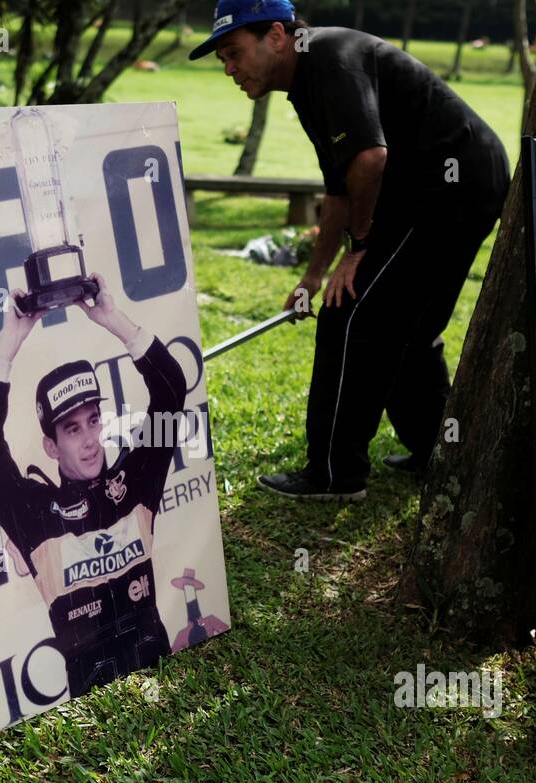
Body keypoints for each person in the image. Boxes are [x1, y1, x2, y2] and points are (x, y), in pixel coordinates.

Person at [191, 0, 509, 501]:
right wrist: (312, 278)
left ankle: (334, 475)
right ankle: (437, 453)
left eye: (234, 52)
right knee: (409, 324)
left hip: (449, 184)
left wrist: (359, 250)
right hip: (455, 181)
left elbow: (369, 159)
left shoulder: (328, 60)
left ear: (276, 35)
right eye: (222, 60)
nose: (229, 68)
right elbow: (339, 189)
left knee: (351, 311)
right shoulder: (306, 78)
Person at [0, 275, 189, 699]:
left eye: (94, 421)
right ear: (50, 445)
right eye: (71, 429)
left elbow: (171, 392)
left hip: (160, 677)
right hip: (92, 705)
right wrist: (11, 339)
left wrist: (113, 320)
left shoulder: (137, 481)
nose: (89, 440)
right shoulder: (33, 510)